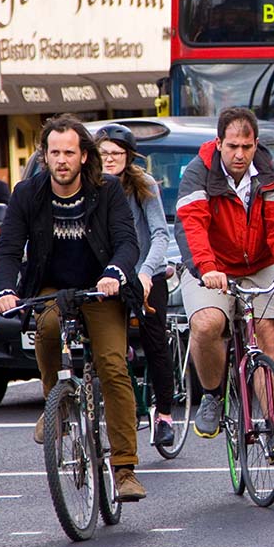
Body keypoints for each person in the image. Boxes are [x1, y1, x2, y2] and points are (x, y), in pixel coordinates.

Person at [0, 114, 146, 501]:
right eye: (54, 152)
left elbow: (128, 242)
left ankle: (125, 468)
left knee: (112, 364)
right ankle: (56, 404)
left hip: (101, 288)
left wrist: (115, 272)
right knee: (45, 331)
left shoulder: (107, 189)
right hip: (51, 287)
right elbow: (8, 250)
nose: (61, 160)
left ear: (83, 156)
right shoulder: (28, 193)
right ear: (45, 155)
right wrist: (5, 289)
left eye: (69, 153)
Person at [174, 107, 274, 458]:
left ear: (255, 144)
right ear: (218, 143)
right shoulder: (198, 172)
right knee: (207, 324)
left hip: (260, 262)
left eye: (246, 147)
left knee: (267, 335)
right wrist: (206, 268)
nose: (239, 154)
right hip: (211, 264)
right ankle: (213, 395)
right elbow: (192, 226)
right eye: (232, 146)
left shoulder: (268, 170)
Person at [95, 124, 175, 448]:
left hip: (145, 273)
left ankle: (165, 416)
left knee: (155, 339)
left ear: (128, 157)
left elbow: (159, 234)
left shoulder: (144, 185)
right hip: (109, 276)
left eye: (116, 154)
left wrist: (146, 272)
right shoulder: (90, 187)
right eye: (104, 154)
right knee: (104, 341)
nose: (110, 159)